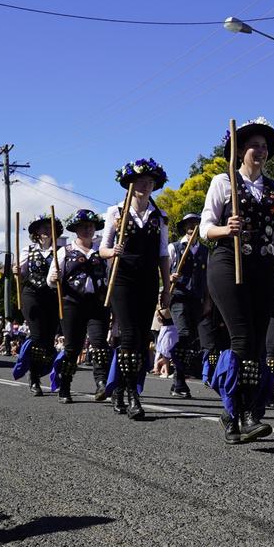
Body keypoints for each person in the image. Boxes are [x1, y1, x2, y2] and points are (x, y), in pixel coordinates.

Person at [200, 118, 274, 444]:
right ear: (240, 150)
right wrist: (227, 229)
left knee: (257, 344)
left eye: (264, 146)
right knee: (241, 338)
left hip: (264, 267)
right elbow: (205, 229)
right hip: (229, 262)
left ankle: (246, 413)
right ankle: (235, 413)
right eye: (254, 145)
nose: (260, 150)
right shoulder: (222, 183)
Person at [100, 158, 170, 421]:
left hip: (148, 280)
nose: (145, 185)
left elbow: (164, 253)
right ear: (130, 183)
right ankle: (132, 394)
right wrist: (112, 251)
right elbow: (102, 248)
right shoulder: (116, 212)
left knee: (141, 341)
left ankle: (119, 386)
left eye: (150, 181)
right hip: (122, 280)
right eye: (140, 180)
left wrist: (166, 287)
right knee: (128, 336)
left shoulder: (159, 216)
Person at [46, 209, 112, 404]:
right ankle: (65, 385)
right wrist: (54, 278)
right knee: (72, 348)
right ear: (75, 229)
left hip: (98, 304)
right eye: (83, 226)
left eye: (91, 226)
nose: (87, 229)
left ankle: (101, 383)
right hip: (72, 303)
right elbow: (50, 281)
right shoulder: (63, 252)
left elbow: (109, 276)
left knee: (100, 344)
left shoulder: (101, 251)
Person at [14, 214, 60, 396]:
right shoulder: (28, 250)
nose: (47, 230)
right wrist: (16, 271)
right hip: (32, 294)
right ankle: (34, 377)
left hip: (52, 295)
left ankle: (41, 369)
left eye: (50, 227)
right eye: (43, 227)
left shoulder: (61, 251)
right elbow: (22, 272)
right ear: (36, 232)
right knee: (37, 336)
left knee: (48, 340)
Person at [166, 213, 207, 399]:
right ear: (184, 227)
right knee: (184, 334)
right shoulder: (174, 247)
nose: (193, 226)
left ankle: (180, 379)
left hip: (197, 299)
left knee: (191, 341)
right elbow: (163, 271)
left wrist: (208, 302)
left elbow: (208, 280)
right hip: (179, 297)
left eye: (196, 223)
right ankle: (178, 380)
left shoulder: (206, 251)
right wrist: (169, 277)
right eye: (189, 224)